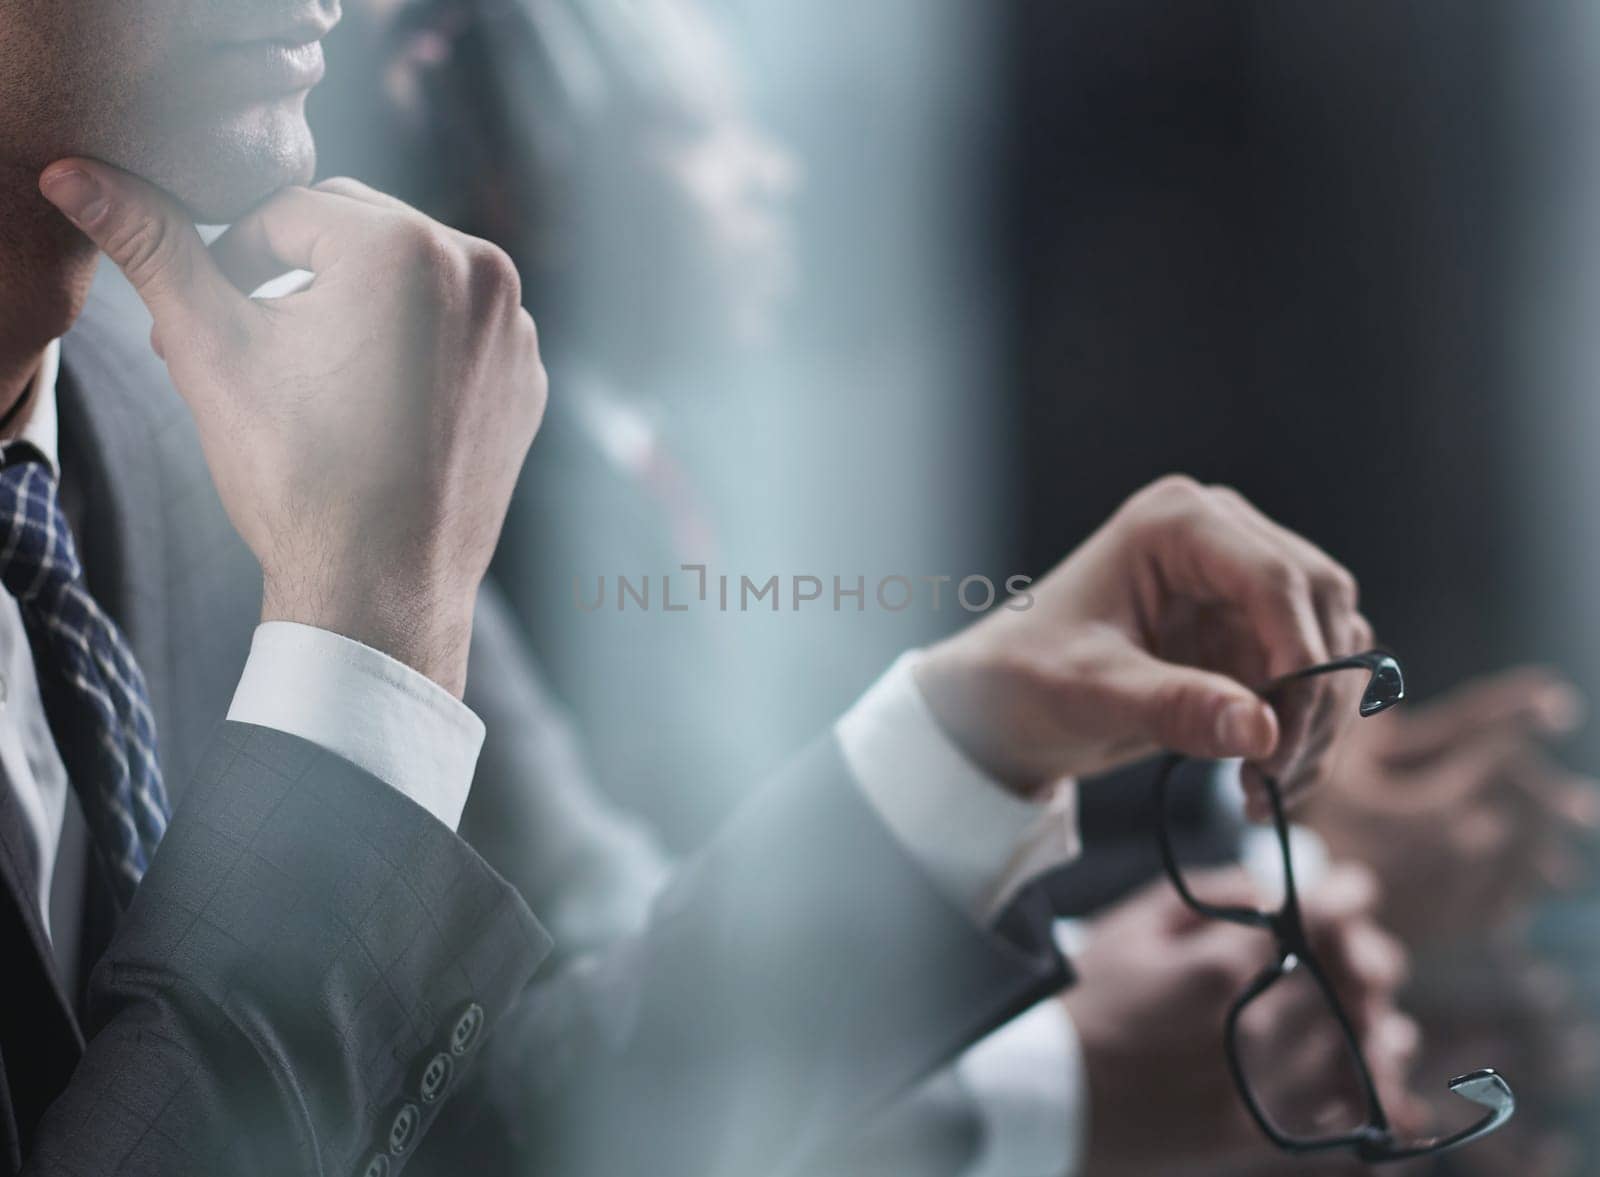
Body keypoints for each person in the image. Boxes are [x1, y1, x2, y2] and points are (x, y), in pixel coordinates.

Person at [0, 6, 1407, 1177]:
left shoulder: (219, 412)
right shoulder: (333, 449)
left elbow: (492, 1117)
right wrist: (363, 654)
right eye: (701, 132)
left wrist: (963, 738)